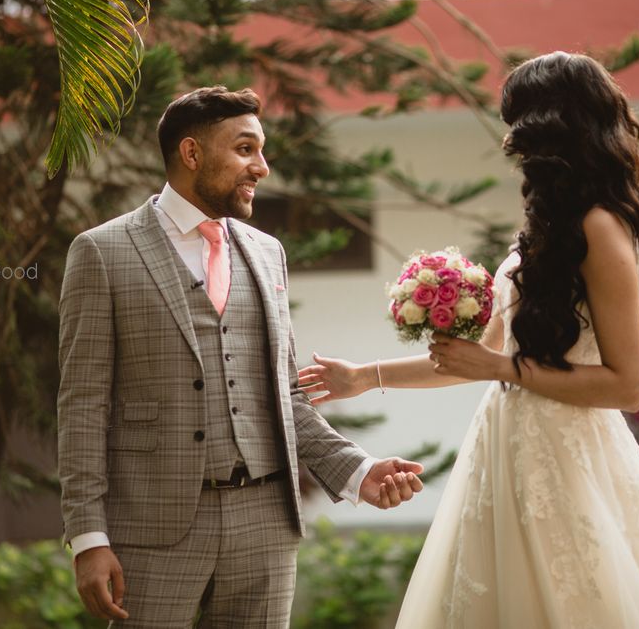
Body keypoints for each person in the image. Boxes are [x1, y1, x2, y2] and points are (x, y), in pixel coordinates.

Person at [298, 53, 639, 628]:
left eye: (517, 119)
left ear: (552, 123)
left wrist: (504, 369)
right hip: (506, 451)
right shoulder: (544, 226)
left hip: (568, 458)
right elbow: (477, 360)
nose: (511, 137)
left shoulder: (602, 225)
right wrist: (365, 377)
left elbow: (628, 385)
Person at [57, 86, 424, 628]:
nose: (263, 168)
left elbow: (285, 397)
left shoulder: (266, 252)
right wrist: (89, 537)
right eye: (246, 149)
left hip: (265, 526)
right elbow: (82, 404)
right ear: (191, 153)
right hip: (154, 530)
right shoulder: (103, 252)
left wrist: (359, 472)